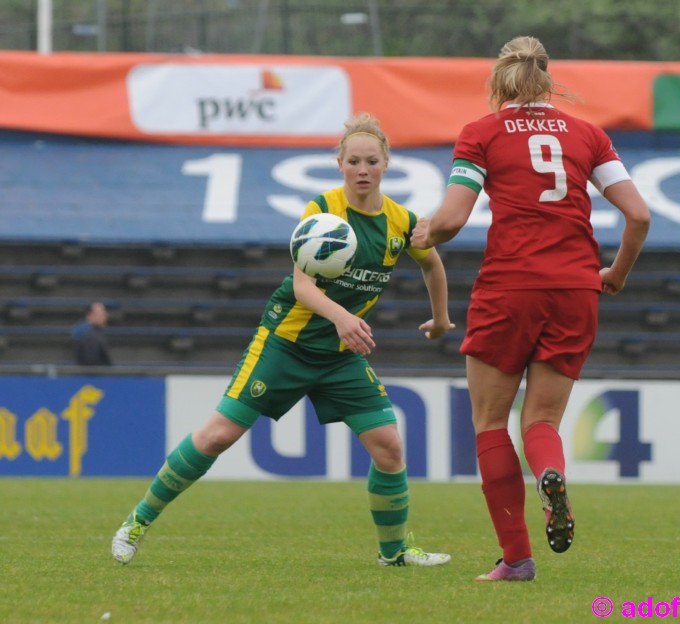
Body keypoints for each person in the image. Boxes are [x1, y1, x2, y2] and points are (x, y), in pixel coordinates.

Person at [111, 112, 455, 568]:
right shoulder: (323, 211)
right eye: (354, 161)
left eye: (372, 161)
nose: (363, 170)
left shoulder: (402, 221)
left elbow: (431, 264)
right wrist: (341, 318)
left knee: (389, 447)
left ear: (387, 163)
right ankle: (136, 521)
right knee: (217, 436)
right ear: (339, 163)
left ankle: (392, 554)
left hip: (338, 355)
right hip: (286, 343)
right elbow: (302, 285)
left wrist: (439, 320)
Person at [411, 35, 651, 582]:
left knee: (490, 422)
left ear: (500, 80)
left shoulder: (482, 133)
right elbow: (638, 216)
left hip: (509, 287)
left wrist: (425, 232)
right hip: (574, 289)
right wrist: (614, 273)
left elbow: (451, 219)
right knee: (542, 420)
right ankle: (549, 473)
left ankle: (517, 560)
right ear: (548, 79)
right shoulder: (588, 134)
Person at [72, 301, 113, 366]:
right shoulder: (90, 336)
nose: (104, 316)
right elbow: (90, 361)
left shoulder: (98, 333)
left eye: (104, 313)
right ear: (89, 316)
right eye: (100, 314)